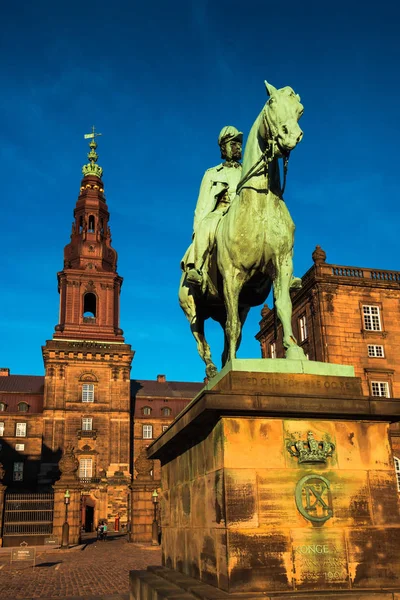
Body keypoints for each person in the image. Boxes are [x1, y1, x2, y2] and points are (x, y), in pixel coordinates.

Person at [183, 126, 243, 287]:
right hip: (220, 214)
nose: (238, 147)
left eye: (239, 144)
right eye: (233, 144)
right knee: (206, 225)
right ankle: (196, 268)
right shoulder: (212, 173)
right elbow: (202, 206)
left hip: (244, 213)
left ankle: (283, 272)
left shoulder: (248, 171)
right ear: (224, 148)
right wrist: (198, 230)